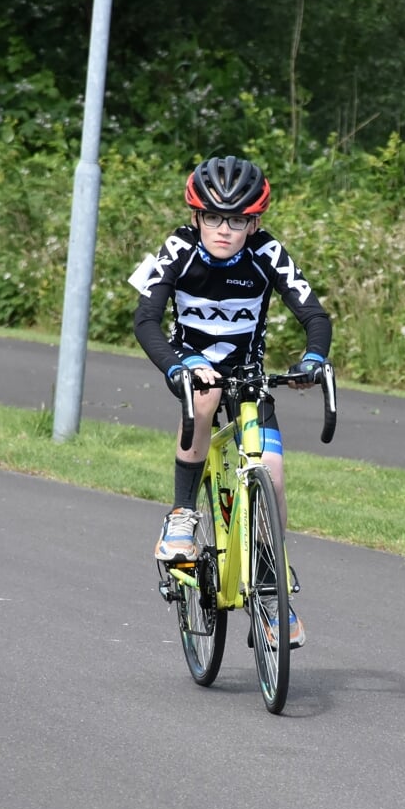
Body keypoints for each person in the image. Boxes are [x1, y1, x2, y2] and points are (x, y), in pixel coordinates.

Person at [131, 155, 332, 649]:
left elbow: (315, 315)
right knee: (206, 394)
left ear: (254, 222)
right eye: (214, 218)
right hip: (191, 365)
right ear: (196, 217)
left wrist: (312, 358)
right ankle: (181, 515)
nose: (225, 229)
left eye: (238, 219)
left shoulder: (268, 252)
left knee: (274, 472)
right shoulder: (177, 249)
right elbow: (146, 321)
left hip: (249, 375)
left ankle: (270, 585)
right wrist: (176, 367)